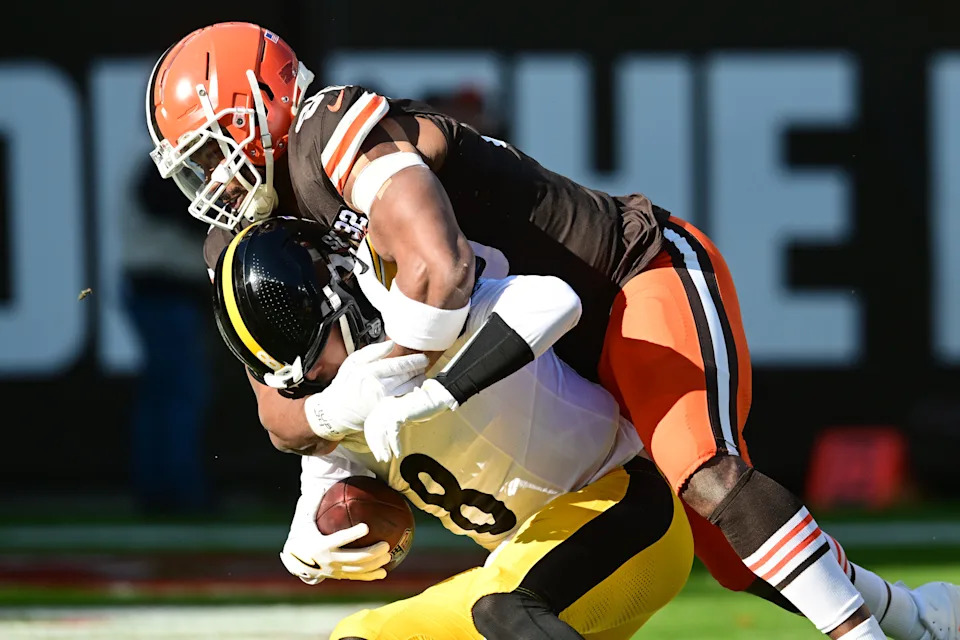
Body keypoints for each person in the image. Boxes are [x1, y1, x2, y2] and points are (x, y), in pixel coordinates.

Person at [145, 22, 960, 640]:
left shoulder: (338, 131)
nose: (209, 176)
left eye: (213, 147)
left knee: (704, 478)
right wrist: (330, 450)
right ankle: (918, 618)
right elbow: (278, 409)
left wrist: (405, 386)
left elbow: (442, 270)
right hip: (544, 345)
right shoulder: (241, 242)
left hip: (627, 279)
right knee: (726, 559)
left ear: (266, 108)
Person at [210, 216, 693, 639]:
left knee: (506, 609)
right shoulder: (338, 405)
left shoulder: (432, 321)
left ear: (338, 295)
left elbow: (554, 301)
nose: (309, 376)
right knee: (360, 635)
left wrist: (440, 391)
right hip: (525, 561)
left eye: (307, 350)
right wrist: (311, 543)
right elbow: (326, 488)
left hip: (627, 512)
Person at [123, 159, 214, 514]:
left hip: (160, 290)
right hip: (164, 289)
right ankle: (179, 492)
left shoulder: (155, 167)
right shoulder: (157, 168)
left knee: (164, 395)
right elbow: (186, 215)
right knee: (180, 393)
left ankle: (159, 489)